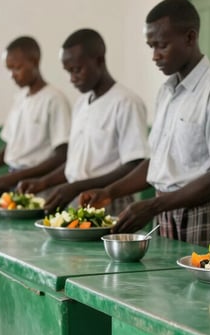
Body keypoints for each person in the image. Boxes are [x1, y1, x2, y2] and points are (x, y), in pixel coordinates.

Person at [80, 0, 210, 246]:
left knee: (199, 284)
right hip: (166, 213)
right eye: (151, 46)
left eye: (162, 45)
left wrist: (154, 205)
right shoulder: (167, 92)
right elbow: (157, 162)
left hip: (203, 215)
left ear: (190, 38)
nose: (155, 56)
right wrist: (110, 191)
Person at [17, 29, 149, 214]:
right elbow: (75, 164)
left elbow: (134, 164)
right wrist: (44, 182)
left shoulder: (126, 102)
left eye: (77, 70)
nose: (72, 78)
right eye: (68, 71)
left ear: (99, 60)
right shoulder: (81, 104)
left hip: (108, 199)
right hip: (77, 197)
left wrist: (78, 186)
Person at [0, 36, 71, 195]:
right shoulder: (20, 99)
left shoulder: (54, 99)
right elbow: (12, 148)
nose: (12, 75)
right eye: (9, 69)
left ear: (35, 62)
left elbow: (61, 155)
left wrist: (18, 176)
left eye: (17, 68)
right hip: (15, 179)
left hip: (39, 184)